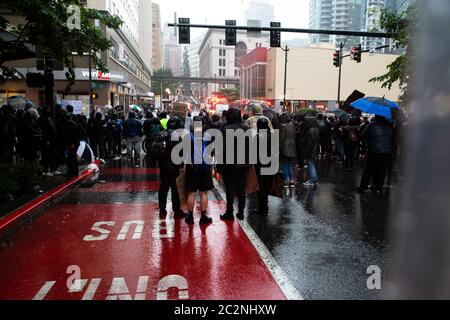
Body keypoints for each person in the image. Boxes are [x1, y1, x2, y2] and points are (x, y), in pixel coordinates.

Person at [220, 108, 250, 221]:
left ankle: (229, 212)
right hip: (244, 163)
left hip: (230, 163)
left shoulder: (226, 129)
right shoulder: (246, 128)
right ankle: (241, 212)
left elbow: (221, 148)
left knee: (230, 188)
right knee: (241, 188)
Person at [184, 116, 213, 225]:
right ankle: (203, 217)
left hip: (192, 166)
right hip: (204, 166)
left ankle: (190, 217)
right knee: (203, 193)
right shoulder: (207, 135)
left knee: (191, 193)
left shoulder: (188, 136)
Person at [156, 116, 186, 219]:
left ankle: (162, 209)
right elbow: (181, 152)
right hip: (174, 165)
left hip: (163, 165)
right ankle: (177, 210)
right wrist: (182, 165)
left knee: (163, 187)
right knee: (175, 188)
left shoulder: (161, 133)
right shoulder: (177, 135)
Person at [357, 115, 394, 194]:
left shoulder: (371, 125)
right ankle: (378, 187)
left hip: (374, 150)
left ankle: (363, 187)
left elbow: (363, 135)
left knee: (368, 169)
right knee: (382, 170)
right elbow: (392, 138)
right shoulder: (390, 126)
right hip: (386, 152)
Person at [255, 118, 273, 214]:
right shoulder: (272, 136)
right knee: (266, 186)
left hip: (260, 165)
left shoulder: (257, 137)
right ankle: (264, 206)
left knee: (261, 187)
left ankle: (262, 207)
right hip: (270, 164)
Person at [38, 107, 60, 176]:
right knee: (46, 155)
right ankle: (46, 170)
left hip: (53, 139)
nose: (49, 111)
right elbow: (43, 130)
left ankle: (53, 169)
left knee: (52, 154)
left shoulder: (50, 118)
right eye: (48, 110)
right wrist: (46, 139)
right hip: (47, 139)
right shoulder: (41, 119)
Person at [280, 114, 297, 188]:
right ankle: (292, 180)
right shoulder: (292, 125)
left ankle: (286, 180)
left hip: (285, 147)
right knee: (290, 164)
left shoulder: (283, 126)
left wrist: (279, 148)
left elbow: (282, 138)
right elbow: (295, 136)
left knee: (285, 164)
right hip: (292, 146)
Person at [303, 117, 320, 187]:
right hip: (315, 150)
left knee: (311, 165)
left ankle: (312, 181)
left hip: (311, 151)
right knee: (312, 165)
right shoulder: (316, 129)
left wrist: (306, 153)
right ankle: (314, 179)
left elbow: (310, 144)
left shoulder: (311, 131)